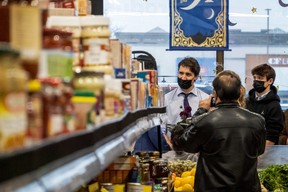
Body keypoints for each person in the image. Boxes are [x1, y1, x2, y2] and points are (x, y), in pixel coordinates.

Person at [171, 70, 266, 192]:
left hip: (211, 187)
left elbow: (185, 144)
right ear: (239, 93)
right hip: (247, 187)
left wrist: (200, 110)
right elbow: (259, 150)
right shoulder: (257, 120)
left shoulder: (204, 121)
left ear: (215, 93)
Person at [246, 63, 283, 145]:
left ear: (270, 81)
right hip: (245, 149)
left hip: (264, 152)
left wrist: (260, 155)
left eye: (260, 78)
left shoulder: (274, 106)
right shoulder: (247, 101)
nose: (256, 81)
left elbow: (272, 137)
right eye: (254, 77)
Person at [165, 57, 209, 125]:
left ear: (196, 77)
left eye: (188, 74)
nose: (183, 77)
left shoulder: (205, 99)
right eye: (181, 73)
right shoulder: (166, 99)